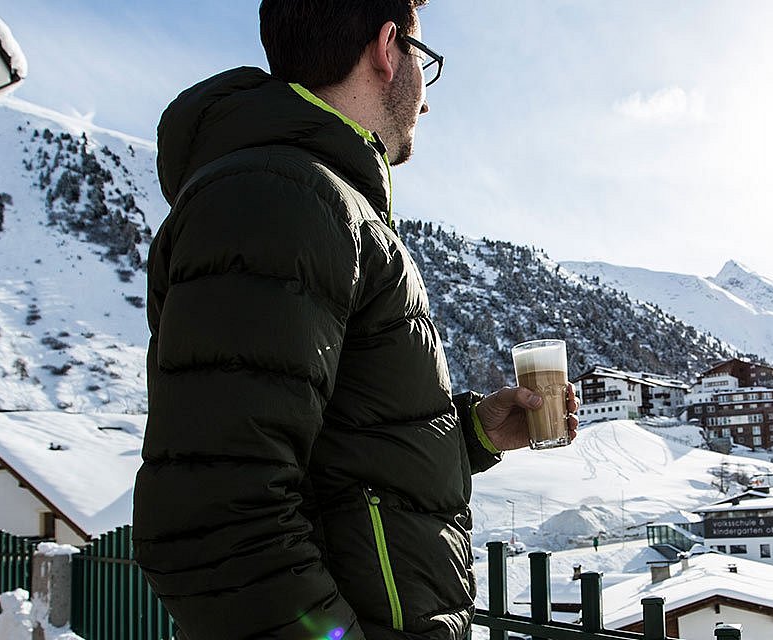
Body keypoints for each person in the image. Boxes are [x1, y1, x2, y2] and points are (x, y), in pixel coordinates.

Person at [135, 2, 578, 638]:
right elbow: (216, 522)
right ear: (387, 48)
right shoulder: (279, 198)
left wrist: (475, 435)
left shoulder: (316, 200)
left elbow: (342, 461)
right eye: (425, 62)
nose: (425, 101)